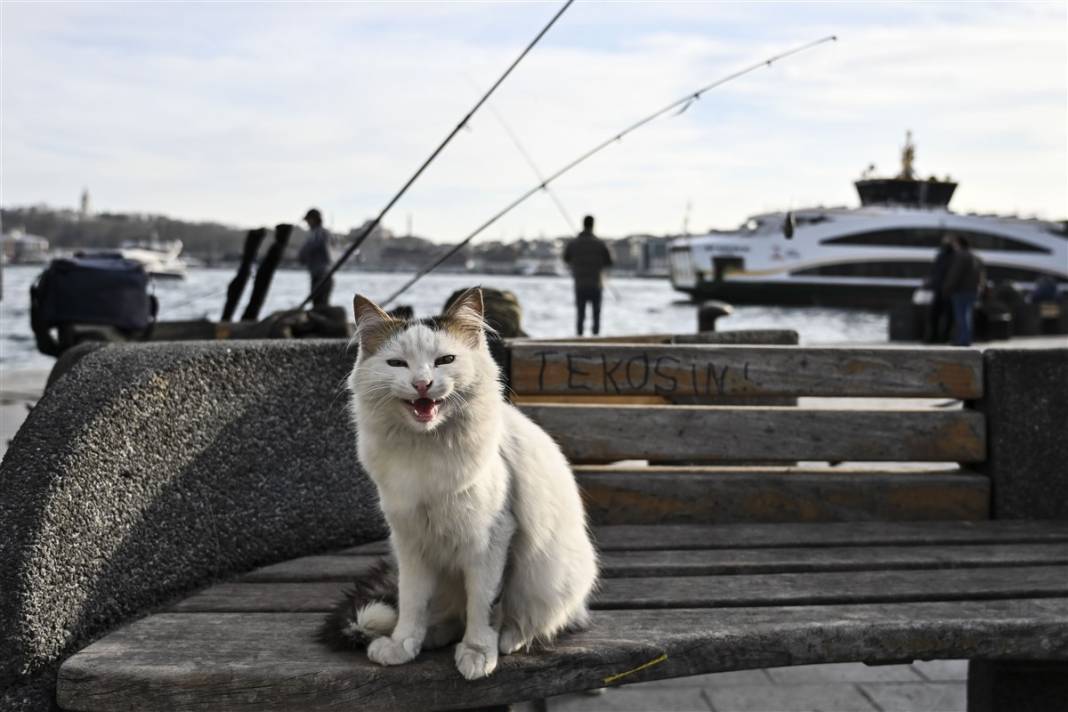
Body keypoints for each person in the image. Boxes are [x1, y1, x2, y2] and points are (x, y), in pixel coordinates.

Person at [563, 215, 612, 336]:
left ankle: (579, 338)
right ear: (593, 225)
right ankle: (596, 339)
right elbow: (609, 262)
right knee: (596, 315)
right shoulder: (600, 244)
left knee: (580, 314)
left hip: (580, 284)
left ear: (583, 224)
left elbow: (565, 258)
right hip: (596, 284)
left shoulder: (574, 243)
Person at [942, 236, 985, 346]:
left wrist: (947, 287)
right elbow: (982, 275)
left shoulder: (961, 256)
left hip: (961, 290)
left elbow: (955, 274)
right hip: (973, 290)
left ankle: (963, 340)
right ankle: (966, 338)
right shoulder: (976, 257)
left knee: (961, 315)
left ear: (959, 244)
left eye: (955, 243)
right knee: (967, 315)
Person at [298, 208, 334, 309]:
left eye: (308, 220)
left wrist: (302, 254)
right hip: (316, 275)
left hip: (322, 275)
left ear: (314, 219)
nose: (307, 223)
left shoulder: (321, 233)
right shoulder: (313, 233)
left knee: (321, 306)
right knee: (316, 305)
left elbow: (314, 247)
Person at [925, 234, 955, 342]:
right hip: (939, 288)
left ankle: (943, 337)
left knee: (947, 315)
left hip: (948, 289)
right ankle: (934, 336)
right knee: (934, 315)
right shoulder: (941, 255)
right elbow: (934, 271)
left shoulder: (954, 256)